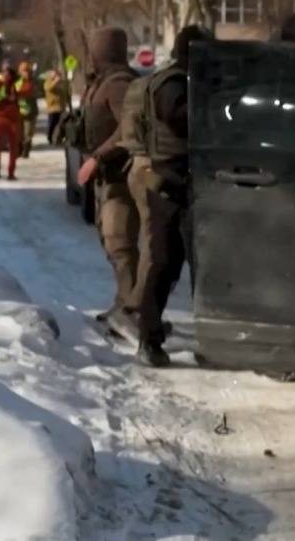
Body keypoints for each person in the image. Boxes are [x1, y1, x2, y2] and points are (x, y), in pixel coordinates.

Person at [120, 25, 208, 367]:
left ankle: (210, 336)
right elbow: (180, 118)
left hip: (193, 184)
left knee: (202, 265)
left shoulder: (188, 79)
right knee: (163, 263)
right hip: (169, 184)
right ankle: (149, 337)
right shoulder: (173, 83)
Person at [79, 28, 141, 334]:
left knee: (121, 242)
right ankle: (123, 302)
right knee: (110, 240)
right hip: (107, 176)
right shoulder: (100, 83)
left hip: (121, 174)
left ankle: (134, 310)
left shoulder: (119, 84)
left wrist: (98, 157)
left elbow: (129, 128)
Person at [0, 63, 23, 180]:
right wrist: (0, 82)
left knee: (14, 146)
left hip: (13, 117)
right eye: (4, 72)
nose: (5, 75)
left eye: (8, 72)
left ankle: (11, 172)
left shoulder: (17, 82)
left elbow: (26, 89)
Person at [43, 67, 71, 145]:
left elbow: (66, 93)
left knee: (61, 124)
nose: (55, 75)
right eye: (54, 74)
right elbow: (48, 88)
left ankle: (59, 138)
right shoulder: (48, 82)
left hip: (61, 107)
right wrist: (55, 81)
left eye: (57, 74)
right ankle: (50, 137)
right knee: (52, 124)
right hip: (52, 107)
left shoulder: (61, 83)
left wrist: (68, 101)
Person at [16, 61, 38, 158]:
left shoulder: (33, 82)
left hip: (30, 112)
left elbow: (28, 91)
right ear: (20, 72)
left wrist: (19, 93)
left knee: (28, 133)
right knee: (19, 132)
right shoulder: (17, 81)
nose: (26, 73)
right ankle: (18, 150)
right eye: (24, 71)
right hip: (19, 111)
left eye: (27, 71)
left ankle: (26, 151)